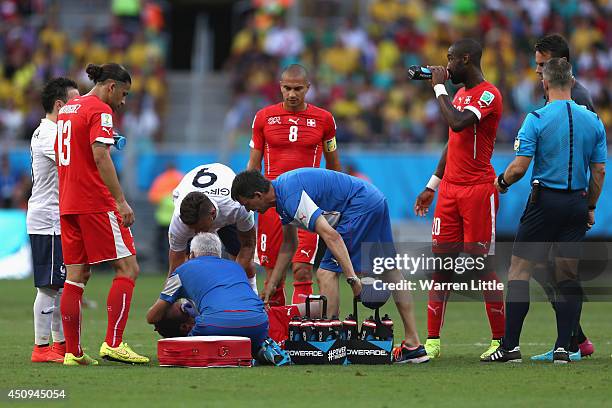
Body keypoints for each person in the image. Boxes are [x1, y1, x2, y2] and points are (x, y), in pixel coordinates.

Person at [231, 168, 429, 364]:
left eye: (247, 204)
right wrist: (271, 284)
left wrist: (353, 280)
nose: (248, 210)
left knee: (326, 273)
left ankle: (332, 346)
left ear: (257, 195)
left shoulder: (290, 196)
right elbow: (289, 245)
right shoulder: (282, 195)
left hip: (360, 205)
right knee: (390, 270)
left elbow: (331, 235)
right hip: (373, 199)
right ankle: (413, 346)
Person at [484, 58, 606, 364]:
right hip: (576, 203)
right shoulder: (593, 120)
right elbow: (600, 171)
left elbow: (519, 168)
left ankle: (510, 347)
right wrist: (590, 206)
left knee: (519, 271)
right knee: (567, 275)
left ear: (545, 83)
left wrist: (500, 182)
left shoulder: (536, 117)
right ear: (572, 81)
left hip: (544, 202)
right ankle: (565, 348)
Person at [413, 39, 505, 361]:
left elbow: (458, 122)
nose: (446, 65)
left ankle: (500, 342)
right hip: (450, 191)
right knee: (441, 267)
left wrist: (439, 89)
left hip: (478, 190)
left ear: (466, 58)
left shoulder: (488, 94)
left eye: (450, 59)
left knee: (482, 266)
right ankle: (433, 342)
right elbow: (453, 142)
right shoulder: (462, 95)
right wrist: (432, 185)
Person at [57, 63, 149, 365]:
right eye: (123, 93)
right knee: (128, 268)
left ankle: (73, 351)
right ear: (111, 86)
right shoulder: (100, 110)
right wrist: (121, 201)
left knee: (76, 276)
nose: (123, 101)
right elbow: (100, 155)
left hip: (68, 202)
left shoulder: (70, 108)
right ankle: (113, 343)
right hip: (95, 202)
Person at [247, 63, 341, 306]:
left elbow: (333, 166)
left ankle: (300, 334)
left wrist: (339, 203)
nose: (292, 94)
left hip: (307, 203)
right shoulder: (264, 117)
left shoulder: (324, 119)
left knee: (301, 269)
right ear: (280, 87)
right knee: (272, 275)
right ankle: (276, 334)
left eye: (298, 89)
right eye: (287, 88)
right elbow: (253, 165)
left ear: (308, 88)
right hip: (270, 204)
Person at [530, 34, 596, 359]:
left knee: (557, 270)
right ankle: (575, 338)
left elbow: (580, 153)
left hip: (566, 197)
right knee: (550, 268)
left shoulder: (577, 98)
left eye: (542, 65)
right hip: (562, 196)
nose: (536, 70)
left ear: (559, 65)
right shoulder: (559, 95)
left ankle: (572, 341)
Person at [146, 232, 290, 365]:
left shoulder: (182, 270)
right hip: (259, 324)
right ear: (218, 254)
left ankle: (230, 355)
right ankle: (259, 350)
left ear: (192, 254)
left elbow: (152, 317)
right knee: (244, 331)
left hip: (214, 326)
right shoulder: (236, 267)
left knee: (191, 343)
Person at [27, 77, 79, 363]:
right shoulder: (49, 134)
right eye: (76, 101)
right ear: (60, 105)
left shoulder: (56, 132)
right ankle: (42, 348)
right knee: (48, 286)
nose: (80, 106)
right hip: (48, 219)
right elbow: (71, 162)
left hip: (57, 218)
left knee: (60, 284)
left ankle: (60, 345)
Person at [167, 163, 257, 291]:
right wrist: (168, 300)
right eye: (192, 229)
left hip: (224, 202)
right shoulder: (179, 219)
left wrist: (233, 283)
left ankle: (251, 297)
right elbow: (175, 266)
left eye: (199, 228)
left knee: (244, 259)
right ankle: (190, 301)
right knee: (189, 262)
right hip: (196, 192)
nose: (197, 233)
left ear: (213, 215)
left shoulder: (237, 207)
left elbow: (248, 245)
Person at [147, 162, 183, 269]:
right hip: (177, 218)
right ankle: (175, 264)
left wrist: (164, 199)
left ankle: (163, 264)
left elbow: (152, 197)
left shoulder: (160, 179)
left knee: (162, 243)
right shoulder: (181, 177)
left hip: (162, 218)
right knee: (177, 244)